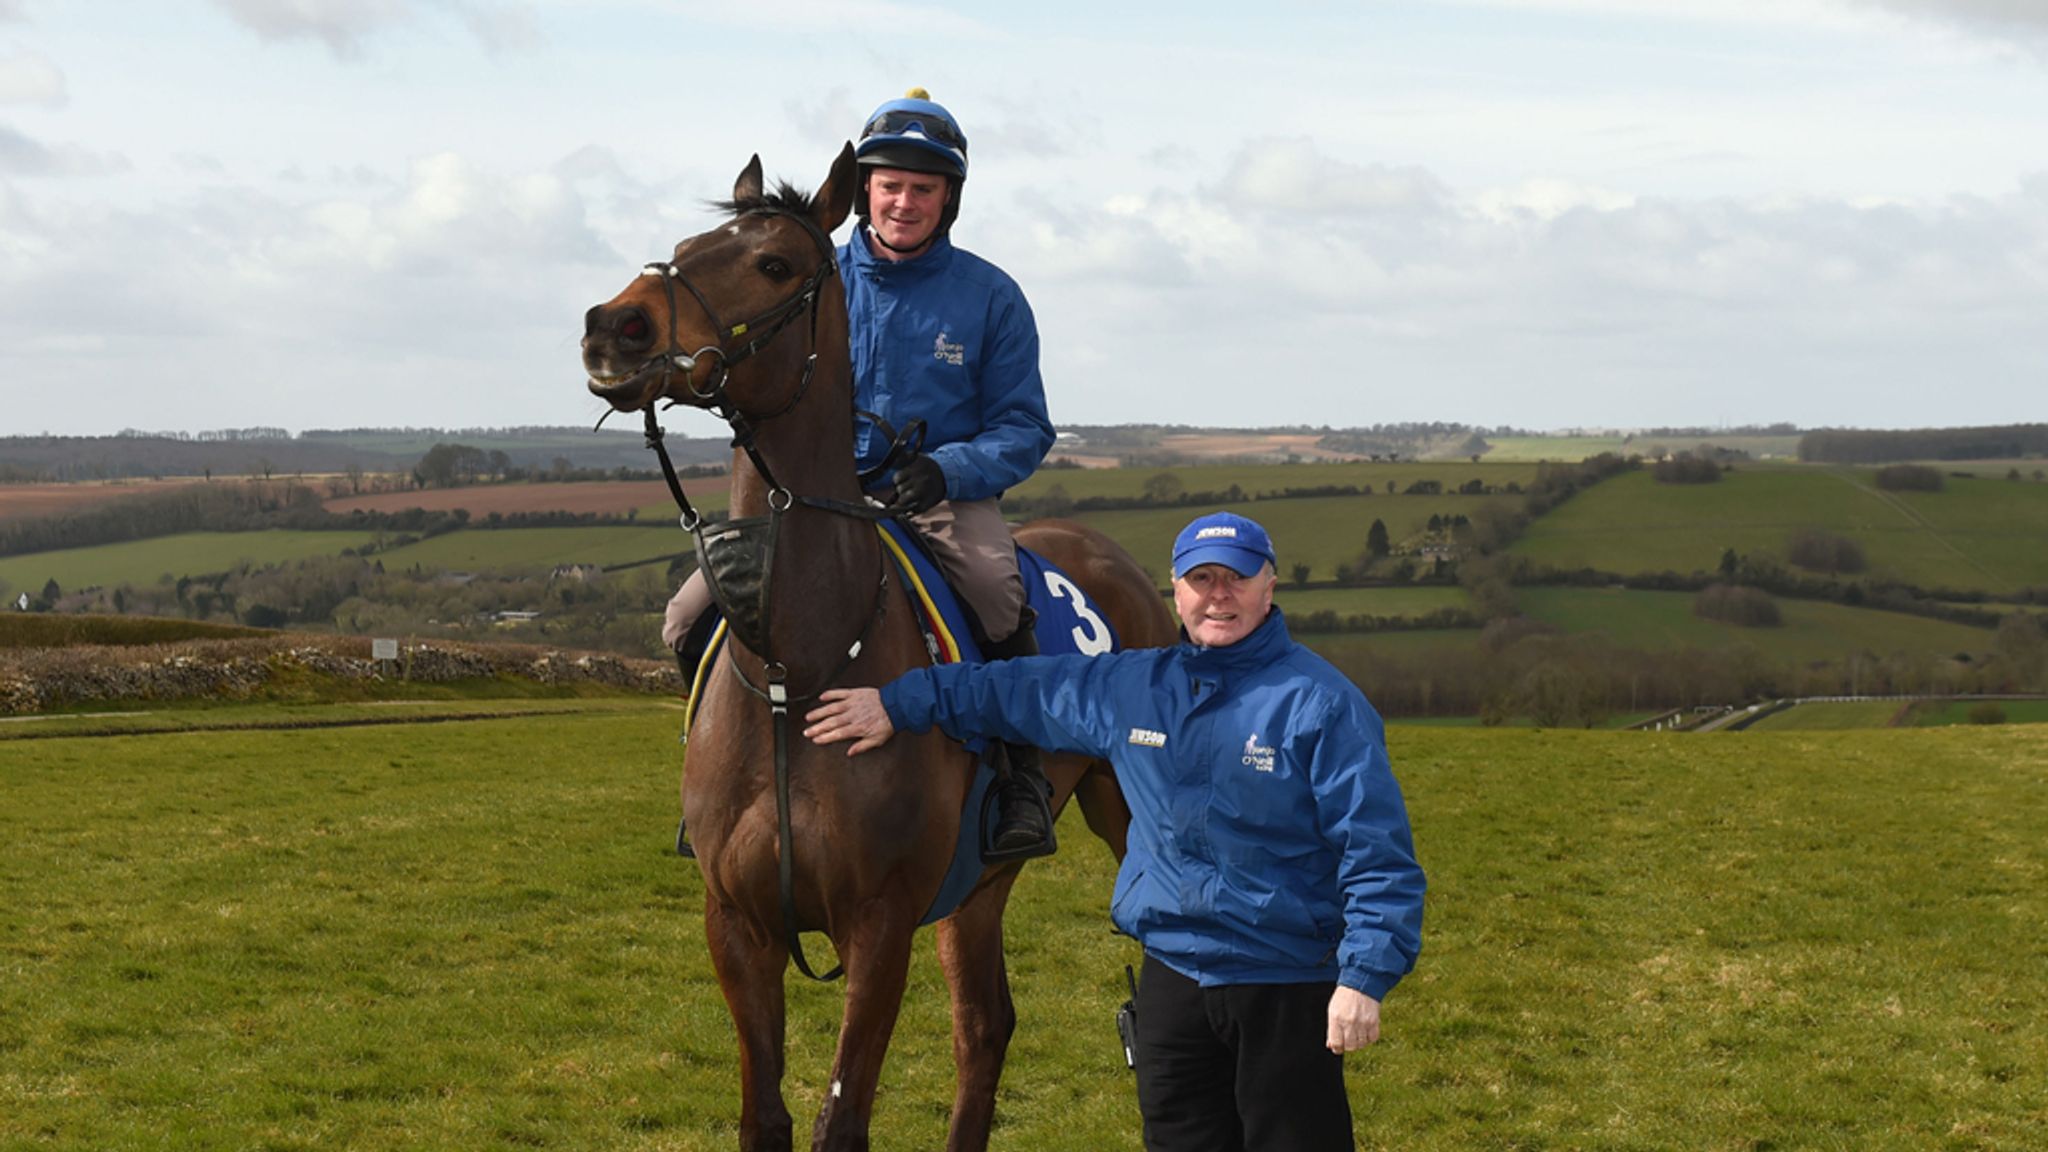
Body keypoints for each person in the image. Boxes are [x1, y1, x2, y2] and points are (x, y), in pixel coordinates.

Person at [803, 510, 1425, 1151]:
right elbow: (1008, 690)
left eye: (1237, 579)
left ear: (1269, 588)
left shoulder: (1322, 704)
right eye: (1201, 579)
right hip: (1173, 984)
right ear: (1176, 591)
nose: (1218, 596)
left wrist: (1362, 978)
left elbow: (1378, 857)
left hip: (1284, 984)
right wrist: (894, 703)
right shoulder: (1131, 687)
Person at [664, 88, 1059, 859]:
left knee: (995, 593)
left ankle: (1021, 778)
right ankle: (718, 778)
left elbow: (1025, 427)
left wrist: (947, 470)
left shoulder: (991, 297)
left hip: (935, 500)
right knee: (683, 618)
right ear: (864, 193)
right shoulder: (809, 278)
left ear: (949, 199)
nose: (904, 202)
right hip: (808, 501)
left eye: (923, 188)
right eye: (890, 185)